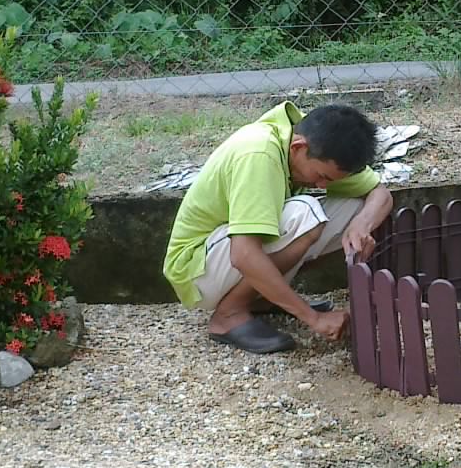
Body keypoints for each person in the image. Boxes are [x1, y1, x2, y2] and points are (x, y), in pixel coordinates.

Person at [163, 102, 393, 354]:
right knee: (305, 215)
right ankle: (228, 315)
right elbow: (243, 254)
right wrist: (313, 318)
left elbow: (380, 194)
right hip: (197, 270)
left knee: (353, 209)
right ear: (298, 147)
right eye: (321, 176)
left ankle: (260, 299)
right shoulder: (258, 153)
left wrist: (361, 224)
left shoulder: (320, 143)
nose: (322, 186)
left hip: (224, 258)